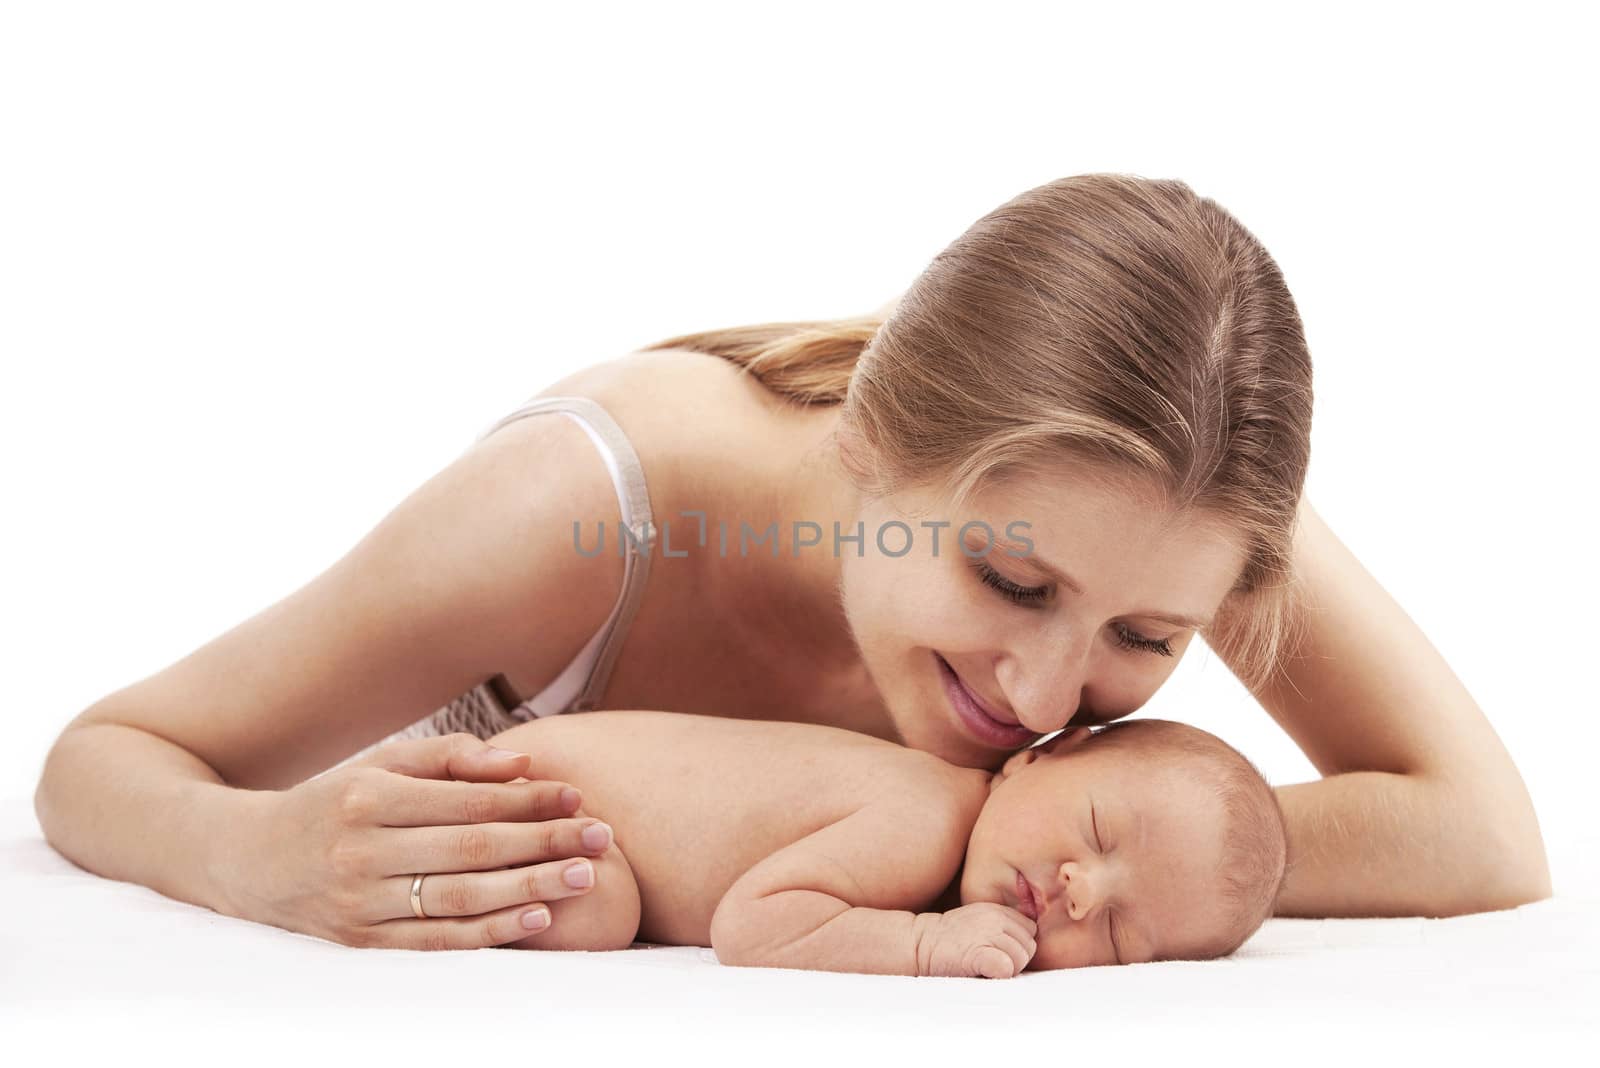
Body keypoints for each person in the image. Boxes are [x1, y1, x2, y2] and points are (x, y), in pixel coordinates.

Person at [33, 173, 1551, 952]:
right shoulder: (591, 511)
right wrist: (259, 864)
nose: (1042, 696)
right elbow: (105, 755)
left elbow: (1484, 840)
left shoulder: (1177, 494)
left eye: (1145, 643)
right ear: (876, 442)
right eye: (1011, 586)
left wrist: (1121, 854)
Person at [465, 710, 1286, 978]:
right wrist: (925, 944)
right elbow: (750, 924)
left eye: (1117, 934)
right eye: (1100, 832)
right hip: (535, 799)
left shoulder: (946, 828)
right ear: (1037, 756)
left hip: (546, 779)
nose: (1081, 892)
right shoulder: (924, 817)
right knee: (597, 908)